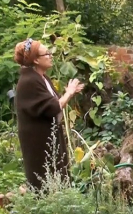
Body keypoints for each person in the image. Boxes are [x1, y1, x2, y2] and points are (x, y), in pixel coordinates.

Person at [13, 38, 84, 191]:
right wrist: (69, 93)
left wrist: (67, 93)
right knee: (44, 179)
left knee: (57, 175)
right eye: (46, 53)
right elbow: (53, 107)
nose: (50, 55)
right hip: (38, 141)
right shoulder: (29, 81)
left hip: (48, 137)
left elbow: (51, 102)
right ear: (36, 60)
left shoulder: (41, 78)